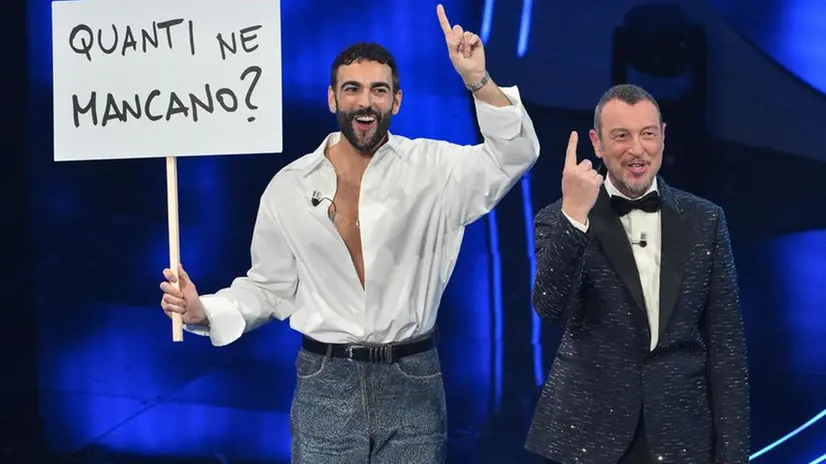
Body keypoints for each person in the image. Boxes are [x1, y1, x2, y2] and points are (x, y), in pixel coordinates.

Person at [159, 4, 540, 463]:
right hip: (325, 382)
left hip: (413, 379)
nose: (365, 102)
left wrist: (477, 80)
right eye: (352, 89)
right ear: (332, 99)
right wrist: (204, 311)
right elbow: (268, 288)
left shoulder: (437, 170)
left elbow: (515, 154)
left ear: (396, 101)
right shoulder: (290, 186)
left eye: (379, 91)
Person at [524, 84, 749, 464]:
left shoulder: (705, 220)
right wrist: (575, 217)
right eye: (621, 136)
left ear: (662, 136)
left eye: (647, 134)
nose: (637, 149)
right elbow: (549, 307)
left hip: (681, 435)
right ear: (596, 144)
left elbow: (727, 348)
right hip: (589, 435)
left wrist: (733, 455)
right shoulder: (559, 218)